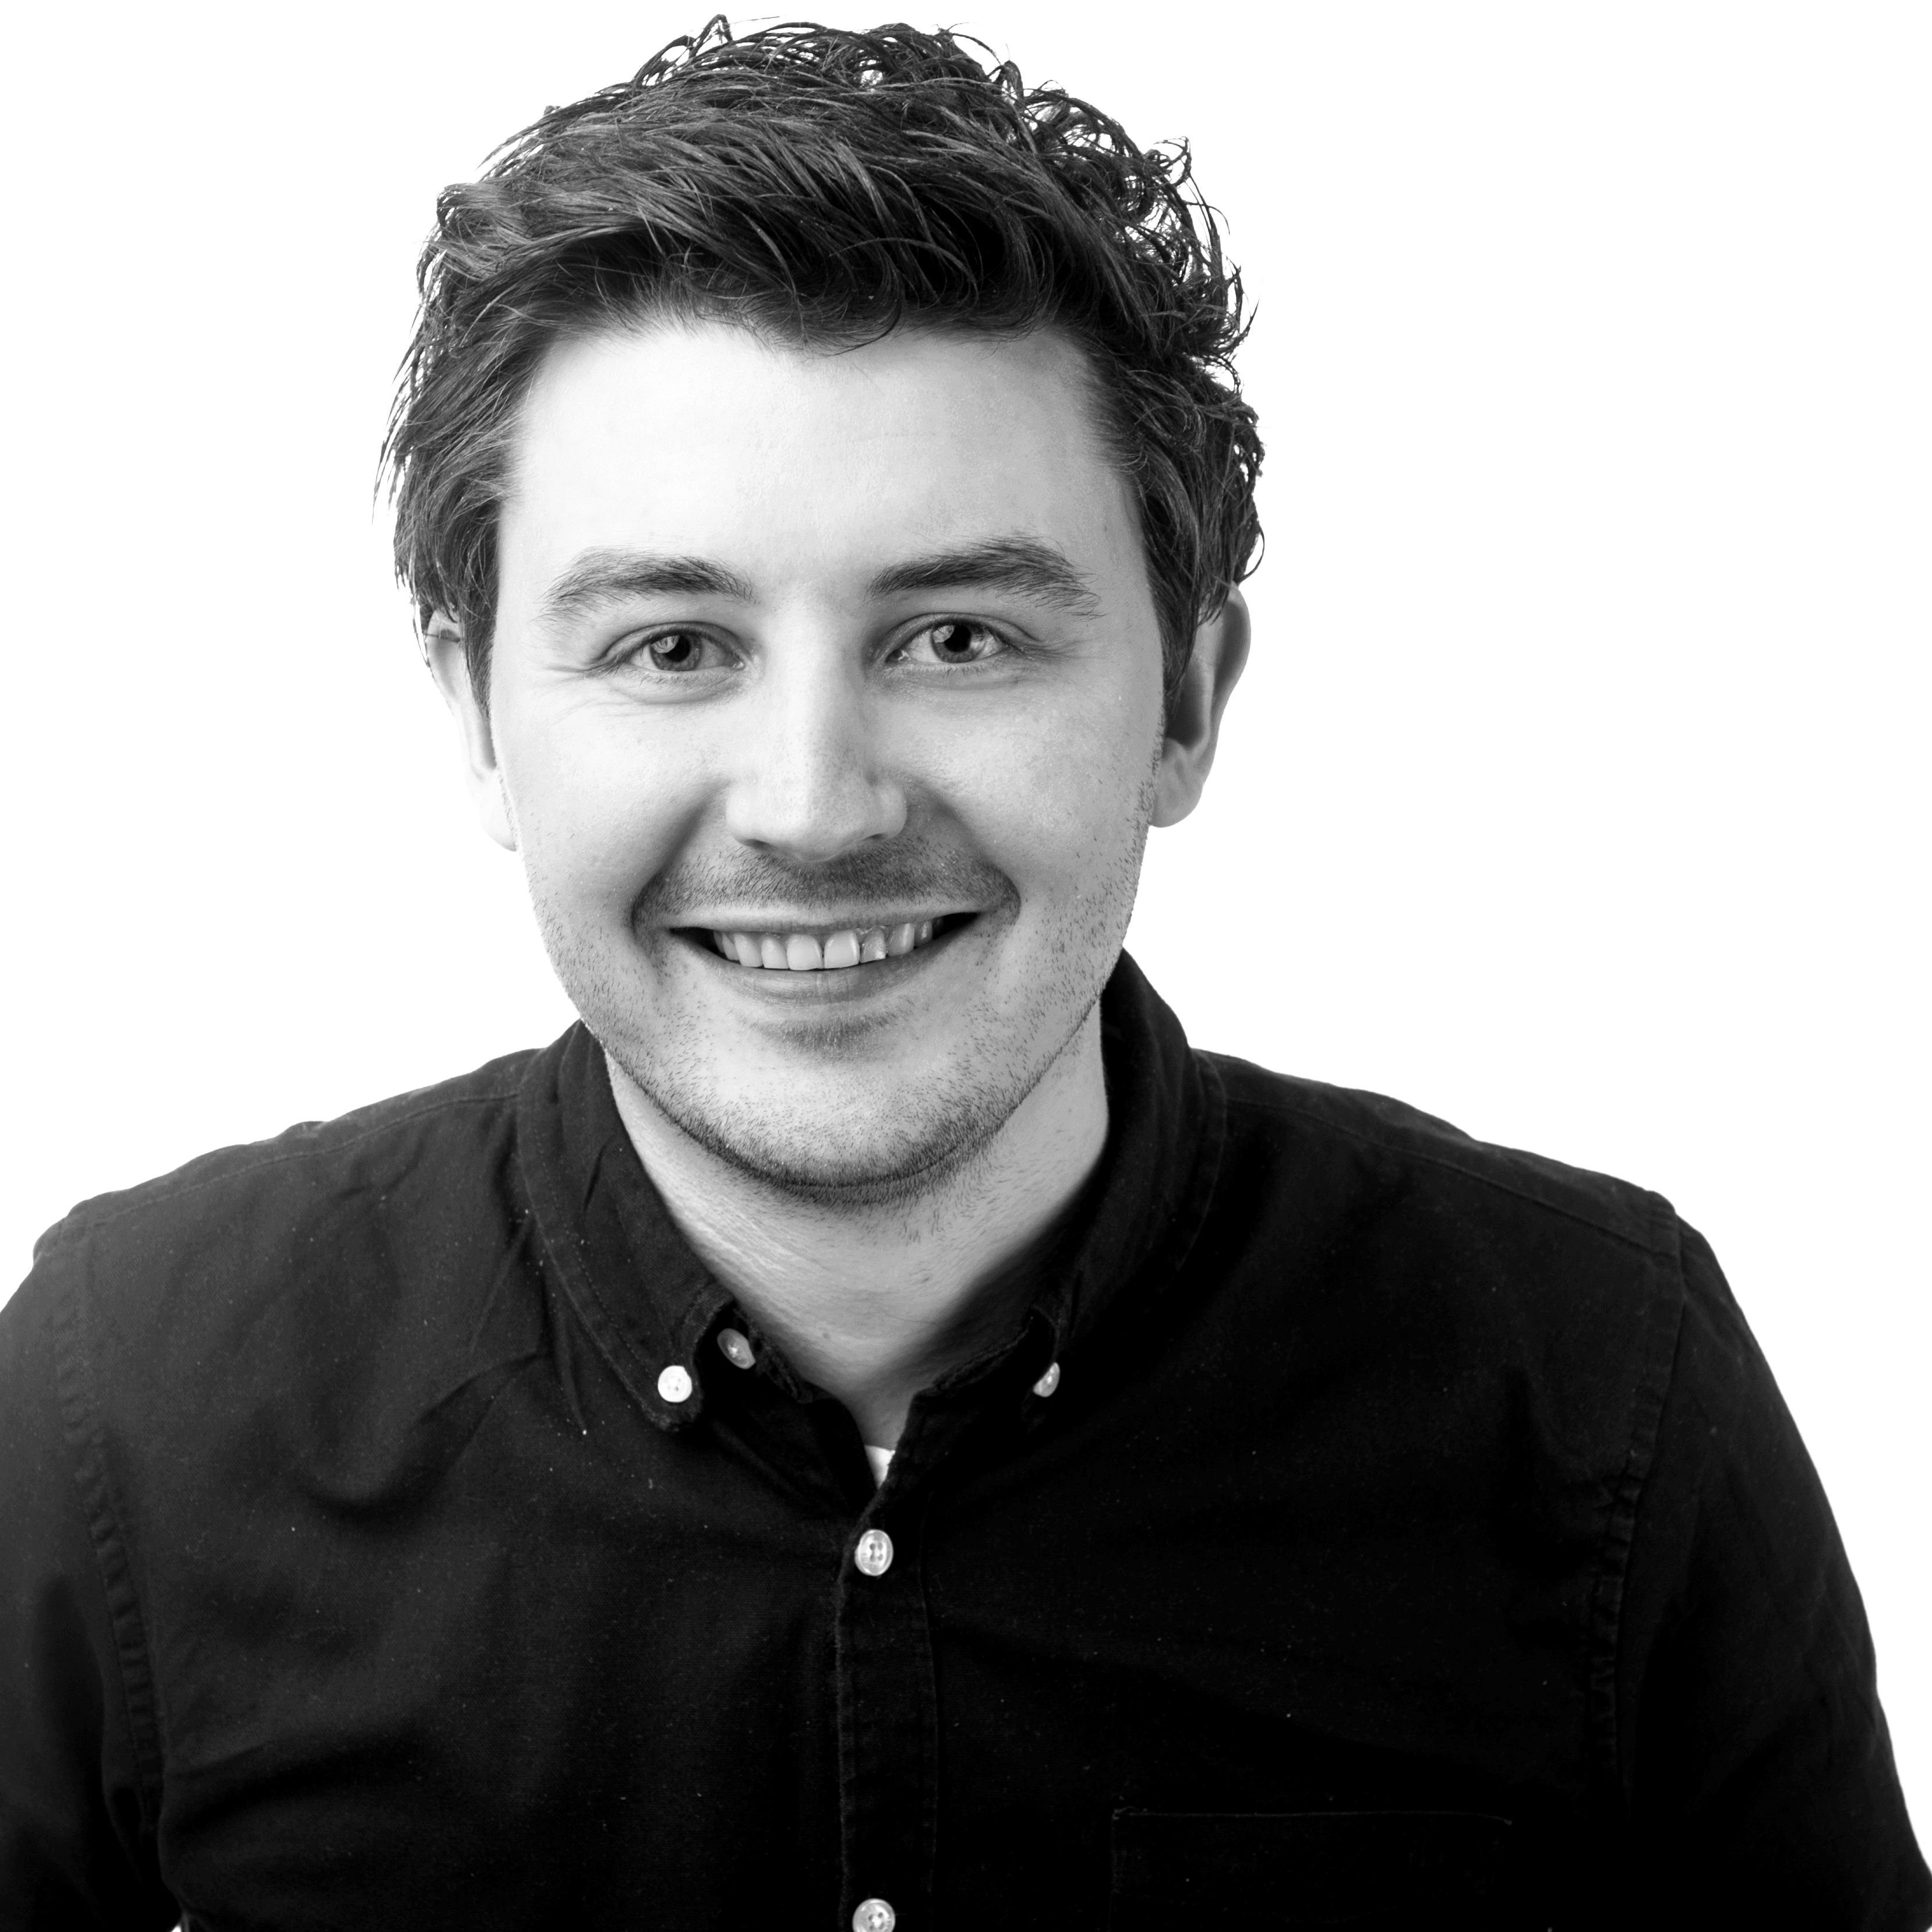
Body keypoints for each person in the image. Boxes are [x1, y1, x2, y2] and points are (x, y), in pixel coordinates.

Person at [1, 17, 1924, 1930]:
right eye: (672, 646)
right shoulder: (128, 1396)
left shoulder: (1602, 1387)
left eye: (956, 637)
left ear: (1186, 697)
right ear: (476, 718)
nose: (812, 805)